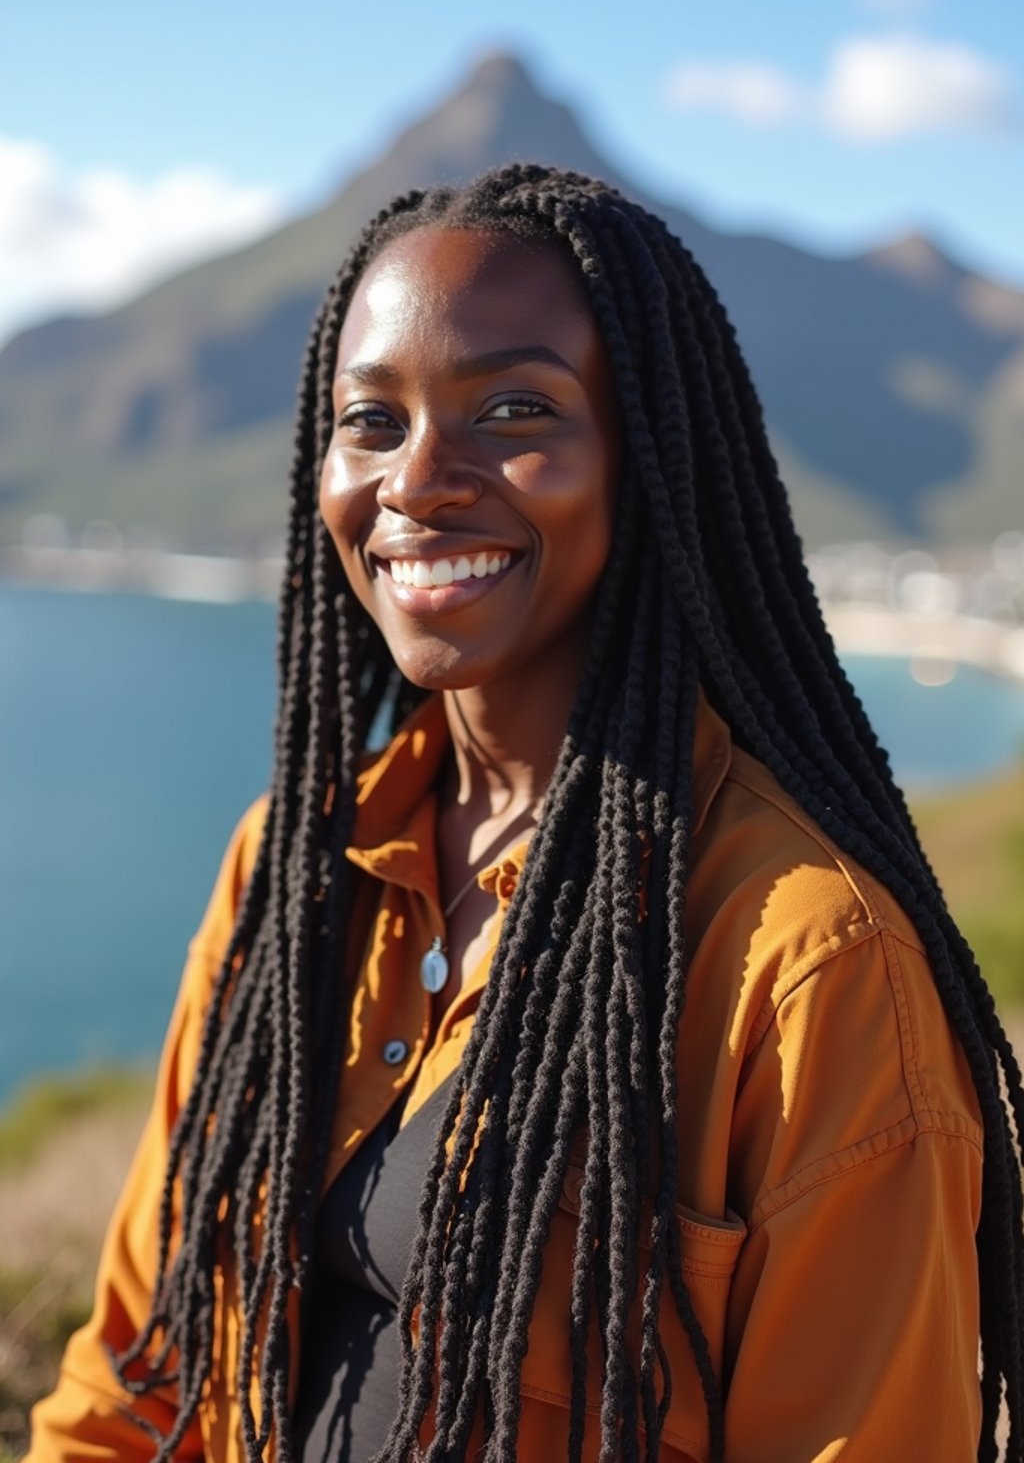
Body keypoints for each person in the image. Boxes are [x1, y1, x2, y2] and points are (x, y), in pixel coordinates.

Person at [26, 165, 1023, 1463]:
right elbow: (131, 1381)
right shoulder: (287, 872)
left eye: (513, 409)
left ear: (652, 460)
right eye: (371, 422)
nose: (417, 483)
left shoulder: (808, 972)